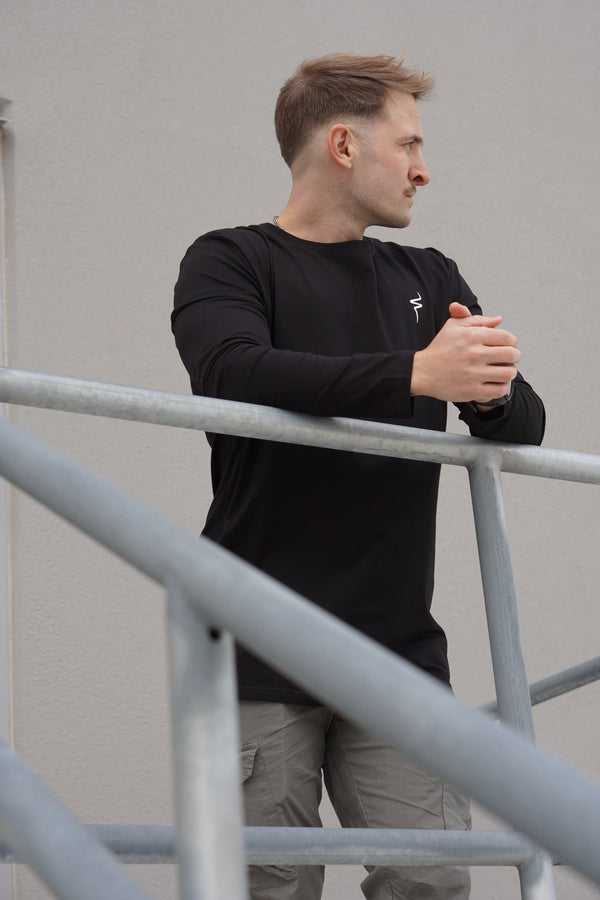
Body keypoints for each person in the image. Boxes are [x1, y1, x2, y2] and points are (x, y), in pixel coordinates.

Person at [171, 53, 545, 900]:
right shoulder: (230, 260)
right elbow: (232, 369)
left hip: (397, 651)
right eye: (408, 144)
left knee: (432, 883)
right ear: (344, 145)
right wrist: (417, 374)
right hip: (257, 643)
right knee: (263, 887)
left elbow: (522, 419)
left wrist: (487, 393)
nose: (423, 168)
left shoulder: (428, 275)